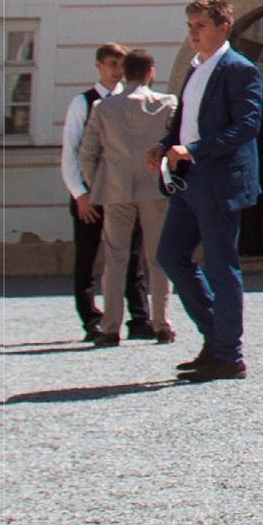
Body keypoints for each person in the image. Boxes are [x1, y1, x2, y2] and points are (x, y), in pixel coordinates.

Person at [156, 0, 260, 383]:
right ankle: (215, 338)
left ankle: (229, 355)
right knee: (170, 255)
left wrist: (194, 149)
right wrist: (165, 145)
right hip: (189, 176)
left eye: (200, 26)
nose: (193, 33)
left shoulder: (239, 69)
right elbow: (184, 118)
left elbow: (247, 126)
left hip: (219, 179)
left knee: (220, 265)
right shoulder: (195, 67)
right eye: (190, 26)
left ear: (222, 27)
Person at [77, 47, 179, 351]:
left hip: (116, 188)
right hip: (154, 187)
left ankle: (110, 327)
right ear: (151, 72)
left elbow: (87, 153)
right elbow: (177, 143)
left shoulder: (103, 108)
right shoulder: (166, 104)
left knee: (115, 258)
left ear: (125, 72)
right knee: (157, 258)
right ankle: (161, 323)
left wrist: (99, 185)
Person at [58, 44, 126, 342]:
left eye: (121, 64)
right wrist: (79, 193)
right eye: (112, 64)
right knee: (85, 258)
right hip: (89, 193)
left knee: (128, 257)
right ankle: (90, 319)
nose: (117, 70)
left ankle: (133, 315)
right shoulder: (83, 102)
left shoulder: (128, 99)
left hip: (122, 193)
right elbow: (70, 151)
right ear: (99, 66)